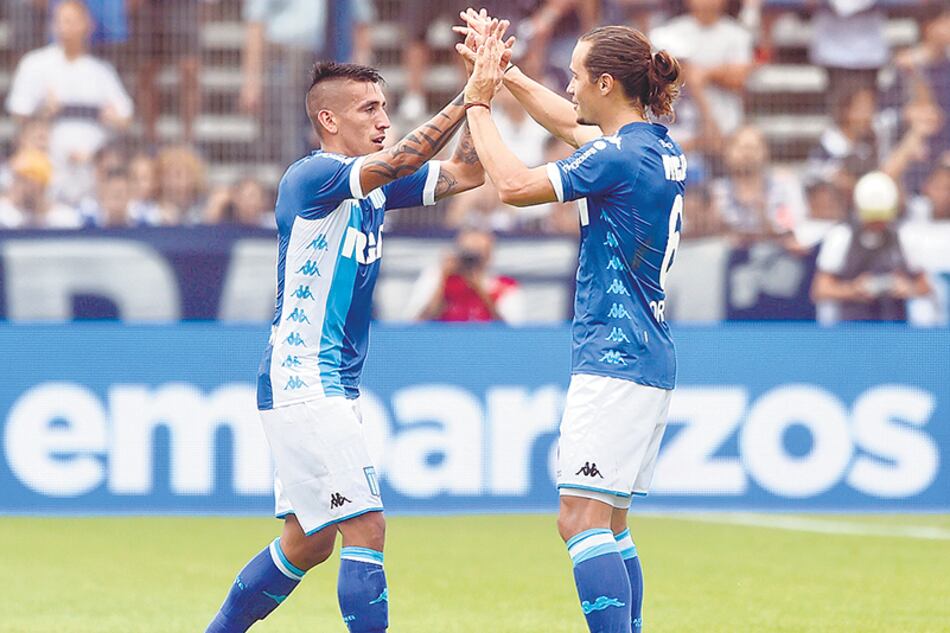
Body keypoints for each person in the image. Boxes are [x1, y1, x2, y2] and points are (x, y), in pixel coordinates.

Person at [204, 43, 501, 630]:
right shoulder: (313, 175)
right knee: (366, 526)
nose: (384, 119)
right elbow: (394, 163)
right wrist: (469, 96)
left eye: (385, 106)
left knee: (306, 542)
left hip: (324, 382)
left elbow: (469, 173)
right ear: (328, 120)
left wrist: (477, 98)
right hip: (304, 377)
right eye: (369, 108)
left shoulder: (372, 189)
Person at [458, 12, 684, 632]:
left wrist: (479, 102)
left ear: (606, 84)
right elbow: (565, 121)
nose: (570, 85)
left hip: (614, 355)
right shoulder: (656, 145)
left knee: (578, 520)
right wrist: (505, 72)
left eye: (577, 74)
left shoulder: (617, 156)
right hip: (647, 354)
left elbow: (510, 185)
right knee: (608, 521)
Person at [5, 0, 133, 206]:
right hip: (47, 172)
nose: (67, 27)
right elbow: (18, 113)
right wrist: (45, 111)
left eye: (73, 21)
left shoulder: (101, 70)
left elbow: (126, 116)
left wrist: (113, 119)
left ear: (88, 25)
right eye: (62, 21)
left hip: (90, 172)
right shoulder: (35, 63)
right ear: (53, 25)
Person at [811, 171, 932, 324]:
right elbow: (820, 289)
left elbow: (925, 287)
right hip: (850, 332)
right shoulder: (841, 236)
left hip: (895, 332)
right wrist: (853, 290)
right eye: (871, 218)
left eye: (881, 218)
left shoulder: (904, 237)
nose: (876, 224)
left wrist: (907, 288)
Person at [408, 227, 524, 322]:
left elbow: (512, 332)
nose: (471, 261)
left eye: (479, 252)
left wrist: (481, 291)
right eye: (467, 252)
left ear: (489, 255)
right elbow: (416, 322)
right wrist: (443, 281)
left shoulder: (505, 286)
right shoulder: (436, 276)